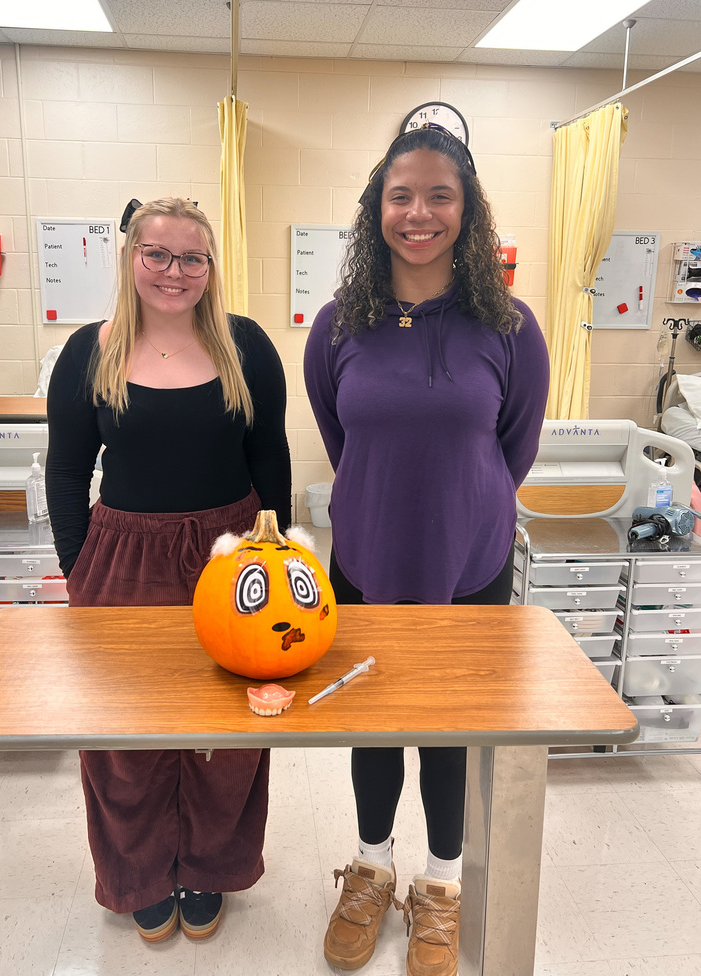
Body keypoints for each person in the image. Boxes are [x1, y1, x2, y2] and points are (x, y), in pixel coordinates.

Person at [304, 124, 549, 976]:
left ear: (468, 209)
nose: (419, 212)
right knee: (373, 727)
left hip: (471, 569)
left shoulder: (510, 327)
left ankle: (439, 886)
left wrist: (455, 502)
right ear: (377, 209)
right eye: (400, 195)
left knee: (448, 735)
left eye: (439, 194)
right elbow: (342, 438)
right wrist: (393, 496)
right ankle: (372, 866)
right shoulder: (339, 325)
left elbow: (510, 452)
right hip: (368, 562)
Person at [46, 196, 291, 944]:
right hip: (123, 560)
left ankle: (210, 867)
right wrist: (79, 568)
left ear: (211, 267)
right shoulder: (91, 350)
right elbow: (66, 469)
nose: (174, 271)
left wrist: (275, 561)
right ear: (130, 258)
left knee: (226, 732)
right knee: (126, 738)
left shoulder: (245, 346)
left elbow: (270, 454)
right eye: (157, 254)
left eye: (192, 258)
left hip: (231, 552)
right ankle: (141, 876)